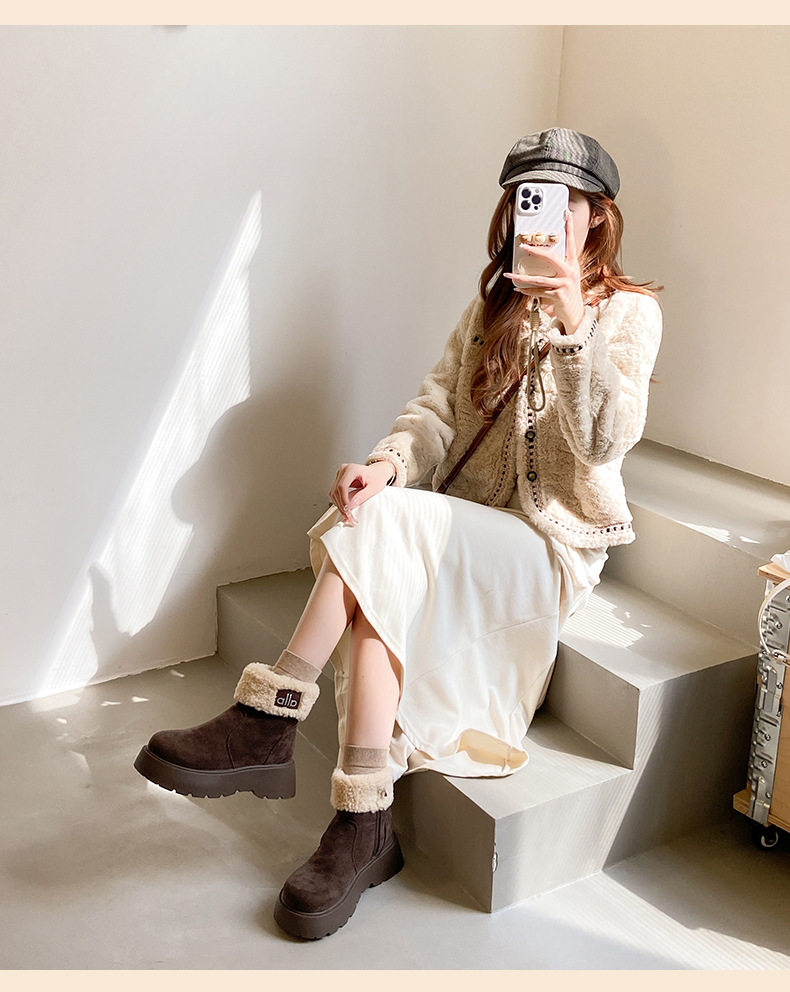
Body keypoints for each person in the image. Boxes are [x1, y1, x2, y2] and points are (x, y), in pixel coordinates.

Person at [134, 127, 662, 940]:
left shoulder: (628, 314)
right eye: (532, 197)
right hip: (464, 532)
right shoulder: (492, 305)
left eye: (567, 200)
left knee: (383, 538)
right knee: (373, 538)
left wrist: (569, 318)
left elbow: (603, 442)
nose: (548, 215)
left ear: (596, 214)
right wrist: (385, 466)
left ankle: (270, 717)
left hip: (547, 548)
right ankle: (363, 820)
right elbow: (437, 410)